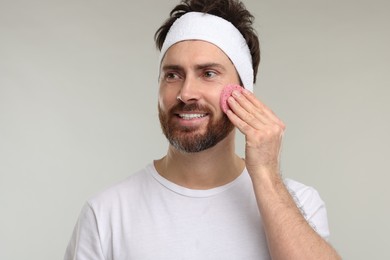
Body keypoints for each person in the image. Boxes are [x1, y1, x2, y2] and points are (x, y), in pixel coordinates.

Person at [64, 0, 341, 259]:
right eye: (172, 75)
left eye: (208, 73)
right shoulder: (106, 214)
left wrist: (267, 176)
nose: (186, 93)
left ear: (244, 91)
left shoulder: (299, 204)